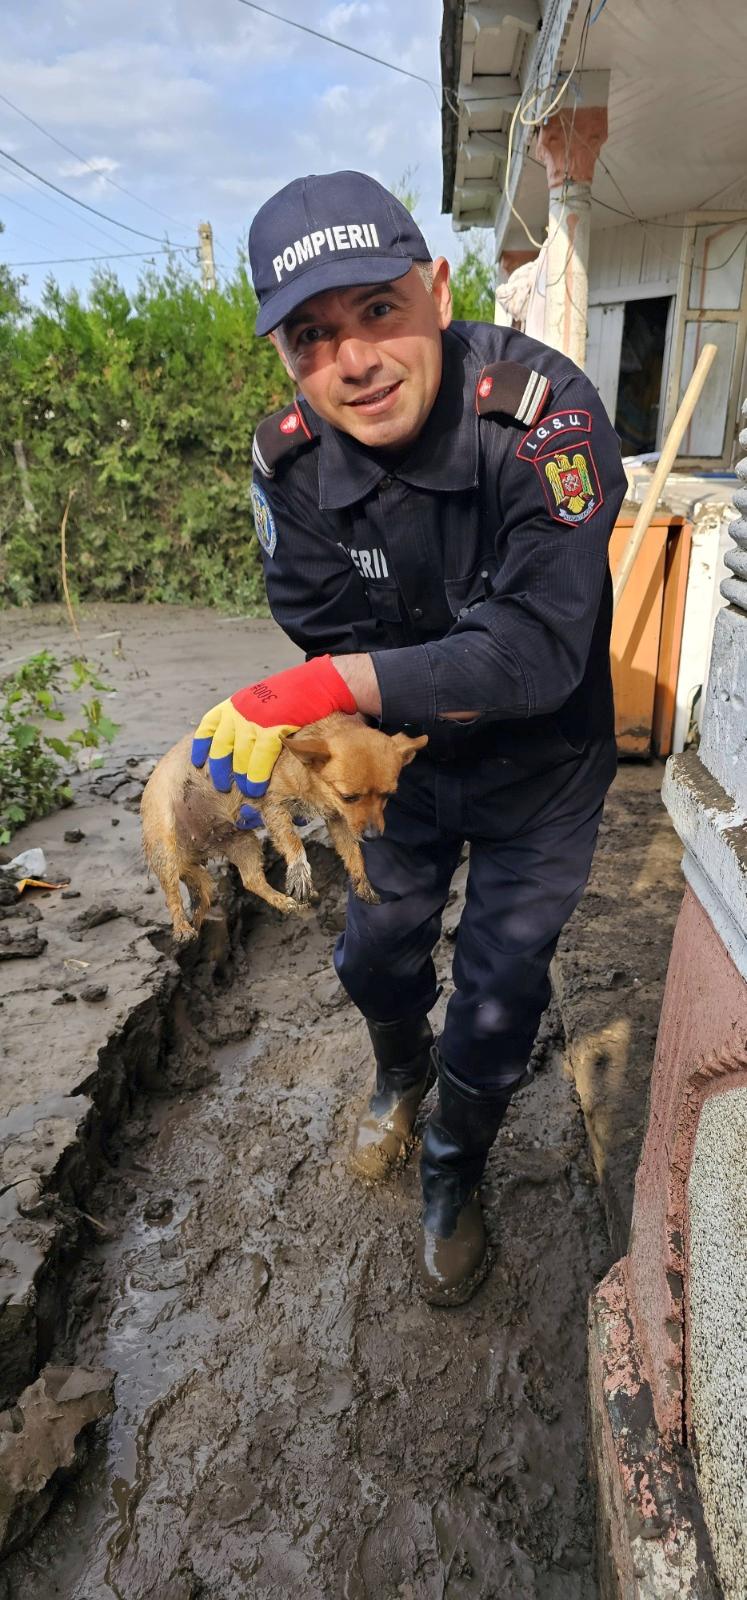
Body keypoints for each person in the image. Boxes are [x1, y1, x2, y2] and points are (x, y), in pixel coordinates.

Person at [192, 170, 628, 1307]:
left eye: (378, 309)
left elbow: (537, 650)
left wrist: (327, 684)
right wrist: (314, 728)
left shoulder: (545, 416)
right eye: (312, 336)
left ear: (437, 291)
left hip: (543, 773)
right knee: (378, 950)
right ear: (287, 357)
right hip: (397, 776)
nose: (355, 359)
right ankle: (399, 1070)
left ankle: (453, 1164)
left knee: (498, 987)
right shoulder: (288, 464)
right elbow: (320, 626)